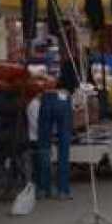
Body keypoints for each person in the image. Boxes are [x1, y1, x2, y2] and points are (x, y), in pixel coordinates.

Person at [28, 66, 78, 200]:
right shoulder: (68, 88)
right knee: (64, 150)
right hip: (63, 100)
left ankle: (43, 189)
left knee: (44, 147)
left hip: (47, 98)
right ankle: (63, 191)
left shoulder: (43, 84)